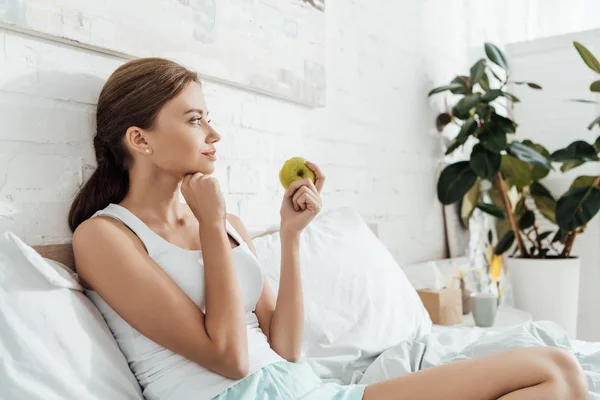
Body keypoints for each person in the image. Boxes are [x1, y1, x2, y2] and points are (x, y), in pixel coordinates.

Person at [68, 58, 588, 400]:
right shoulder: (105, 237)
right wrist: (209, 226)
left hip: (302, 387)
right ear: (140, 138)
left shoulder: (226, 223)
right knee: (547, 372)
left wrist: (290, 237)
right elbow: (227, 359)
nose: (215, 133)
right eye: (195, 119)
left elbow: (287, 347)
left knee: (558, 368)